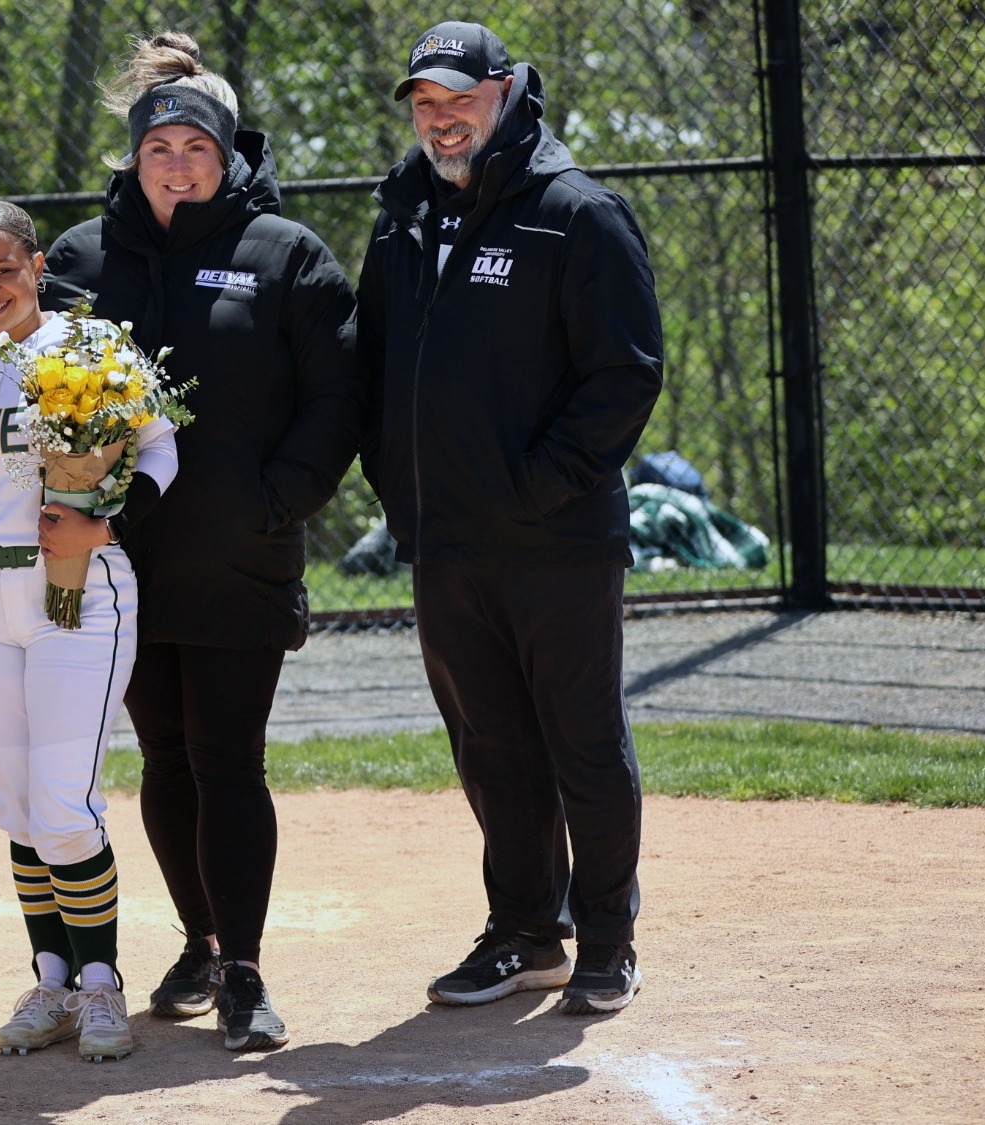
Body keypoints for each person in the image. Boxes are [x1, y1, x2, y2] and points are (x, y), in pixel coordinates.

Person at [42, 32, 363, 1053]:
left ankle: (246, 973)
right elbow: (35, 394)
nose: (177, 165)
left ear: (228, 154)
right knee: (164, 760)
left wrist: (277, 501)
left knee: (228, 761)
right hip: (118, 568)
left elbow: (335, 397)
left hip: (236, 559)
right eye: (157, 149)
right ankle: (199, 939)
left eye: (196, 147)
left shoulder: (285, 254)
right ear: (132, 159)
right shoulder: (83, 261)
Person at [356, 21, 663, 1015]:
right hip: (444, 543)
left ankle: (607, 939)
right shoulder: (401, 217)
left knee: (579, 743)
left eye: (460, 101)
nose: (442, 121)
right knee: (488, 747)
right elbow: (374, 370)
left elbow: (622, 374)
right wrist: (398, 487)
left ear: (504, 94)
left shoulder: (575, 214)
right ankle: (527, 932)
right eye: (425, 105)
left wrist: (539, 482)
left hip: (556, 539)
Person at [0, 200, 180, 1062]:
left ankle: (102, 984)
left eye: (4, 270)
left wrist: (108, 527)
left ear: (38, 267)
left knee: (64, 806)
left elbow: (159, 450)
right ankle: (53, 981)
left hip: (76, 593)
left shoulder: (90, 347)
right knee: (17, 806)